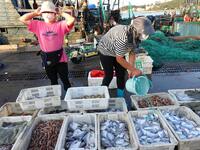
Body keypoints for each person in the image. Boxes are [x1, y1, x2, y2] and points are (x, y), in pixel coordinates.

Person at [19, 1, 75, 91]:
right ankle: (55, 100)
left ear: (55, 14)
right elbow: (22, 19)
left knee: (65, 80)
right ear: (41, 14)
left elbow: (71, 20)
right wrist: (35, 13)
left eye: (50, 12)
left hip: (61, 58)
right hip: (47, 58)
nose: (48, 14)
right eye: (45, 12)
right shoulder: (37, 24)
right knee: (53, 81)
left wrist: (61, 12)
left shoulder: (61, 24)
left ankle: (69, 99)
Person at [97, 17, 155, 97]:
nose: (146, 35)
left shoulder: (136, 37)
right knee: (109, 75)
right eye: (145, 33)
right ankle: (101, 95)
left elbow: (132, 52)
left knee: (121, 74)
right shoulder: (123, 38)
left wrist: (131, 70)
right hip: (106, 51)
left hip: (118, 52)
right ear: (136, 30)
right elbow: (119, 59)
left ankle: (120, 96)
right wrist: (133, 69)